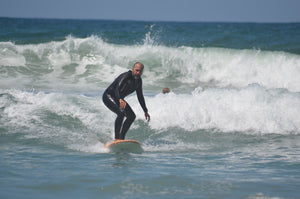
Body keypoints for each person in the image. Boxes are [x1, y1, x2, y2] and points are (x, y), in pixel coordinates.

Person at [102, 62, 150, 141]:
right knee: (121, 113)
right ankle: (117, 139)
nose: (138, 73)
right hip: (108, 96)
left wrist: (145, 111)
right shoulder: (126, 76)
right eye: (137, 70)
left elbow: (140, 96)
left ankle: (122, 138)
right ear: (133, 69)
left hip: (119, 99)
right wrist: (120, 99)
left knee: (131, 116)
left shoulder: (138, 81)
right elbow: (117, 88)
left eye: (140, 71)